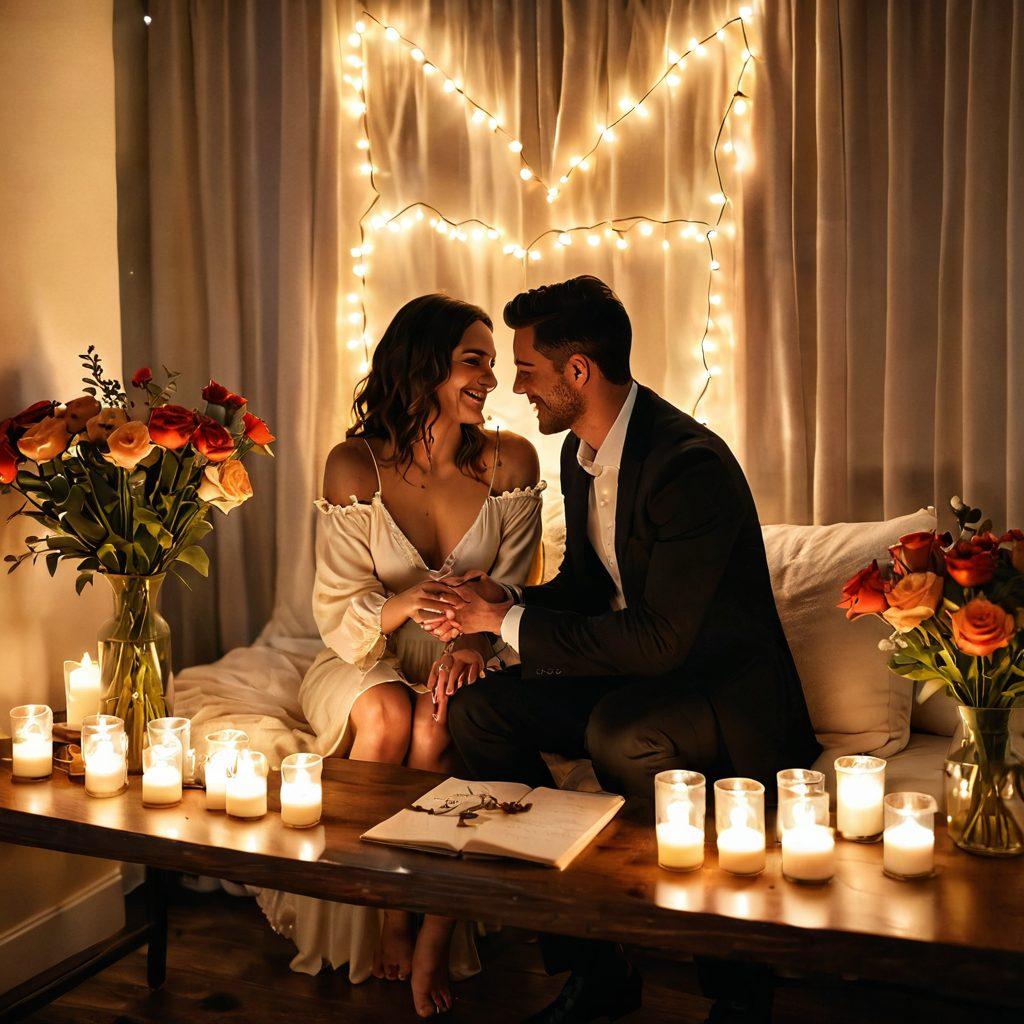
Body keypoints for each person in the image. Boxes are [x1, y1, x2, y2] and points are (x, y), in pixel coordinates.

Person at [432, 276, 820, 1024]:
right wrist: (503, 605)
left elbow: (660, 639)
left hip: (719, 695)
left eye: (528, 371)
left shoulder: (687, 466)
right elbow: (586, 584)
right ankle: (594, 967)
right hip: (639, 678)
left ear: (579, 372)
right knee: (481, 716)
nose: (519, 389)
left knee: (622, 734)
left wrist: (507, 624)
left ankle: (739, 992)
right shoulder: (585, 455)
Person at [259, 293, 544, 1018]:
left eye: (492, 362)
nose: (492, 379)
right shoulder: (354, 466)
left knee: (437, 723)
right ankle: (387, 909)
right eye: (472, 361)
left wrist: (476, 639)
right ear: (423, 369)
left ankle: (427, 929)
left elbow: (518, 582)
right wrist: (408, 602)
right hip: (365, 648)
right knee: (387, 718)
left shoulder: (511, 460)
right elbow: (337, 609)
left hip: (471, 649)